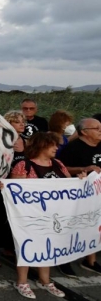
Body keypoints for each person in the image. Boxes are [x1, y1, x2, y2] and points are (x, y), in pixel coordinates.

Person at [8, 132, 71, 299]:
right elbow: (13, 191)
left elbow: (70, 185)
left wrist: (82, 180)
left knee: (49, 246)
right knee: (27, 246)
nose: (57, 148)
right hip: (30, 216)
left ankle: (45, 280)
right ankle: (22, 281)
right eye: (53, 145)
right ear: (42, 145)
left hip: (54, 214)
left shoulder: (58, 164)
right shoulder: (24, 165)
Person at [56, 117, 101, 275]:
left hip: (96, 194)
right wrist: (85, 168)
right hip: (78, 194)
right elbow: (62, 168)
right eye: (96, 128)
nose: (100, 131)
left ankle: (91, 260)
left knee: (94, 225)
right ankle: (64, 259)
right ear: (84, 132)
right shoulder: (73, 148)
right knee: (73, 225)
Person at [0, 110, 27, 268]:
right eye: (17, 121)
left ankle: (8, 246)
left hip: (19, 189)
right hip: (2, 186)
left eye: (23, 121)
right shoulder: (1, 140)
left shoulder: (25, 140)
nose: (22, 123)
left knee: (13, 219)